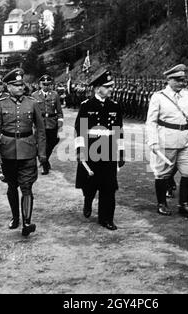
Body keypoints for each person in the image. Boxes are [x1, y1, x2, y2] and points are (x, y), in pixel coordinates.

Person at [0, 68, 47, 237]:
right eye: (16, 85)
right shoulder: (1, 104)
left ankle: (27, 222)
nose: (20, 87)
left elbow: (41, 131)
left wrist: (42, 153)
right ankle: (15, 217)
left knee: (27, 187)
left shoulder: (32, 103)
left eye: (21, 84)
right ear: (8, 87)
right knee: (12, 186)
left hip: (28, 150)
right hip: (7, 151)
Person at [146, 64, 188, 218]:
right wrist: (153, 142)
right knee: (162, 173)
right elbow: (151, 122)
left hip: (186, 140)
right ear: (169, 80)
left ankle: (184, 204)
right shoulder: (158, 97)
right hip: (166, 140)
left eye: (183, 80)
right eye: (178, 80)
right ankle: (162, 204)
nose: (182, 83)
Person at [74, 70, 125, 231]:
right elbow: (80, 130)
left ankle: (106, 218)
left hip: (109, 150)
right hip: (91, 150)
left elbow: (119, 130)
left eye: (111, 86)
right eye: (107, 86)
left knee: (109, 186)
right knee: (89, 184)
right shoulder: (86, 106)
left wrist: (121, 152)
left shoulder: (115, 106)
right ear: (97, 88)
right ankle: (88, 200)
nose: (111, 89)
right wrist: (80, 150)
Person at [31, 75, 64, 175]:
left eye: (48, 84)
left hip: (52, 122)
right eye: (44, 84)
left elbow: (59, 111)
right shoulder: (34, 95)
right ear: (40, 84)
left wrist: (60, 123)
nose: (46, 86)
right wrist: (32, 124)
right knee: (41, 144)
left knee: (53, 141)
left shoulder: (55, 95)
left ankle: (45, 159)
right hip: (39, 123)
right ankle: (45, 165)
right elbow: (31, 111)